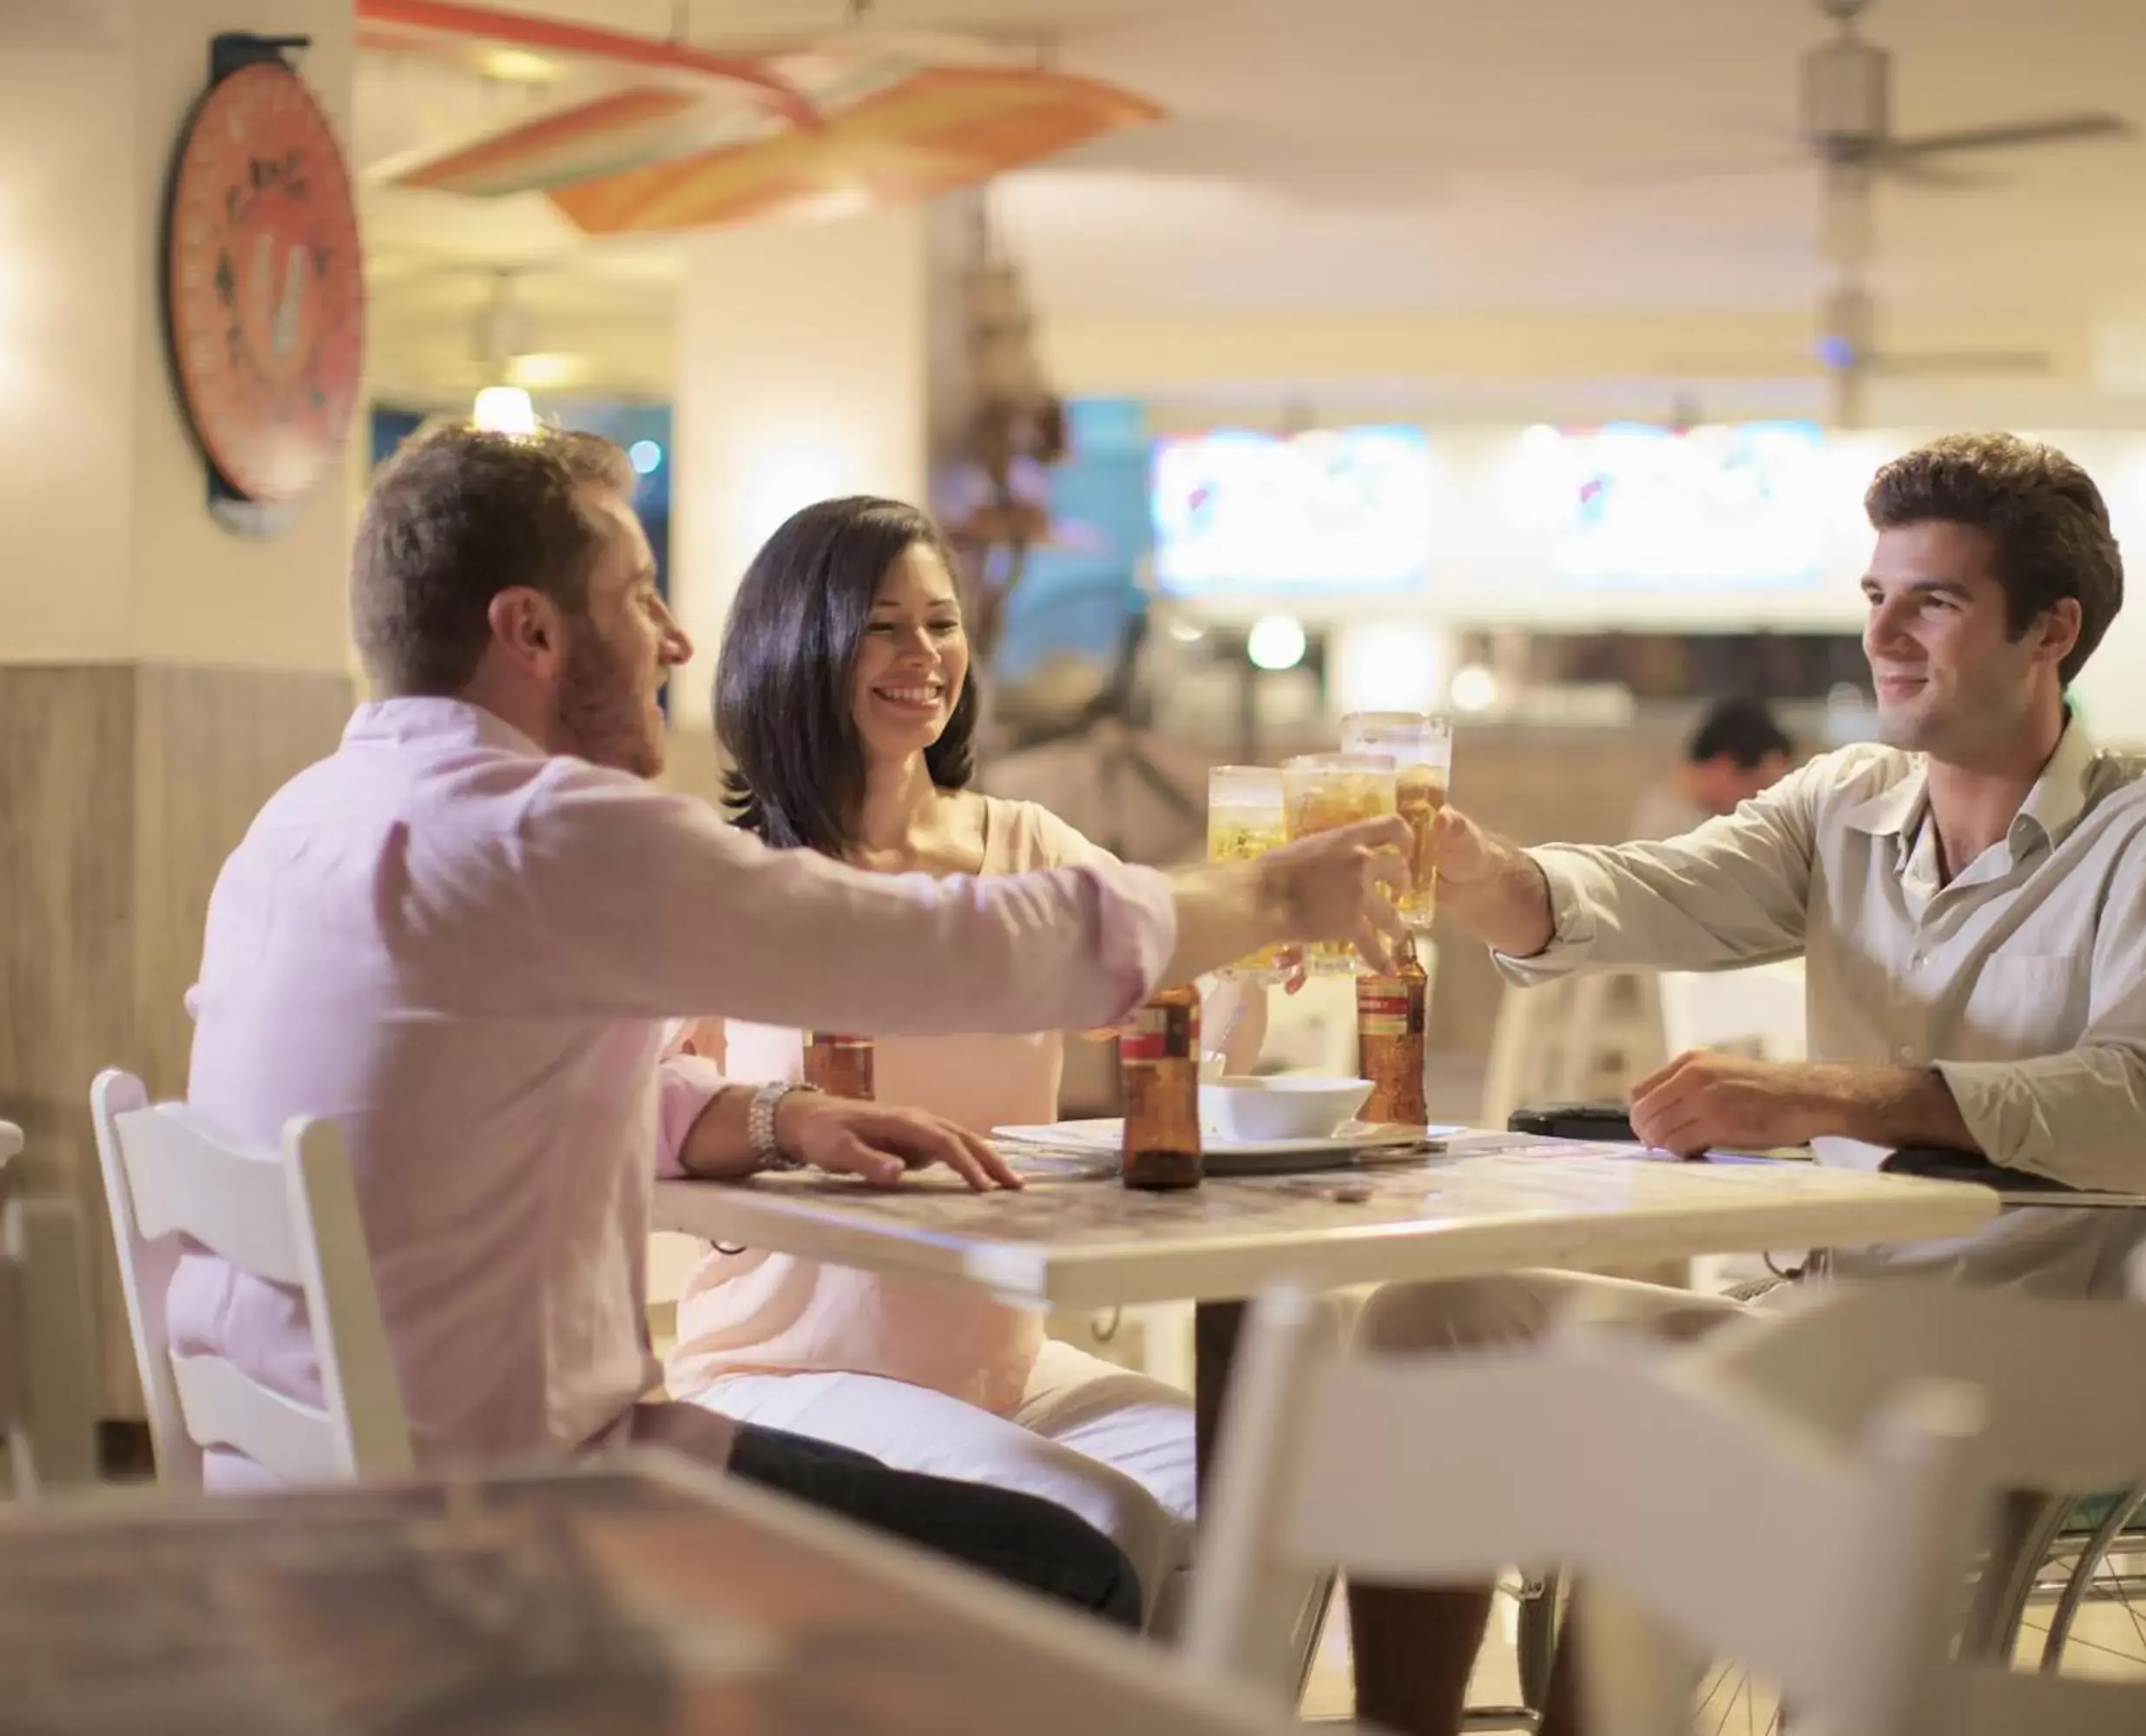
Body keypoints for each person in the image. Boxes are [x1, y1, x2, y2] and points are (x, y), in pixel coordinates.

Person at [171, 424, 1407, 1630]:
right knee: (1064, 1569)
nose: (676, 637)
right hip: (522, 1501)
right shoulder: (555, 834)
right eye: (638, 594)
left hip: (302, 1492)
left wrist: (770, 1114)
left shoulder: (300, 826)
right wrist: (1275, 892)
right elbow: (938, 945)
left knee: (1177, 1505)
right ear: (531, 631)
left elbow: (526, 1079)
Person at [1341, 432, 2146, 1736]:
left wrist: (1829, 1096)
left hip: (2033, 1367)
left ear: (2051, 628)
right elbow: (1646, 891)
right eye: (1877, 598)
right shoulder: (1844, 804)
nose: (1885, 635)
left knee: (1658, 1432)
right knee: (1421, 1321)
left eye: (1933, 601)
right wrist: (1473, 865)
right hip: (1812, 1338)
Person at [663, 496, 1205, 1633]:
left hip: (1005, 1360)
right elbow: (641, 1105)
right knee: (1100, 1519)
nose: (924, 657)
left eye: (942, 624)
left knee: (1246, 1484)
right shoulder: (732, 880)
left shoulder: (1025, 853)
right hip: (785, 1369)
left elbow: (1166, 1006)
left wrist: (1244, 972)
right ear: (797, 646)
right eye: (880, 626)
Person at [1628, 694, 1795, 838]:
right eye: (1759, 788)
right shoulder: (1674, 835)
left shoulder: (1698, 819)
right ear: (1724, 767)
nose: (1759, 803)